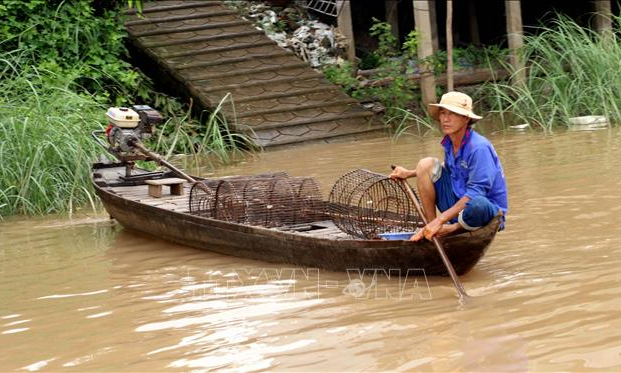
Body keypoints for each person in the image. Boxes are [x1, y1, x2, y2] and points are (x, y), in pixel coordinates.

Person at [390, 91, 508, 241]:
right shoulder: (450, 142)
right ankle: (430, 228)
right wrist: (410, 173)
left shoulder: (479, 147)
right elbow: (452, 168)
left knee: (478, 203)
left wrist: (442, 220)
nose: (445, 119)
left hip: (482, 211)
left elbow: (476, 192)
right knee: (425, 164)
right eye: (443, 113)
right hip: (459, 200)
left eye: (452, 114)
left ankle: (452, 228)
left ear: (465, 118)